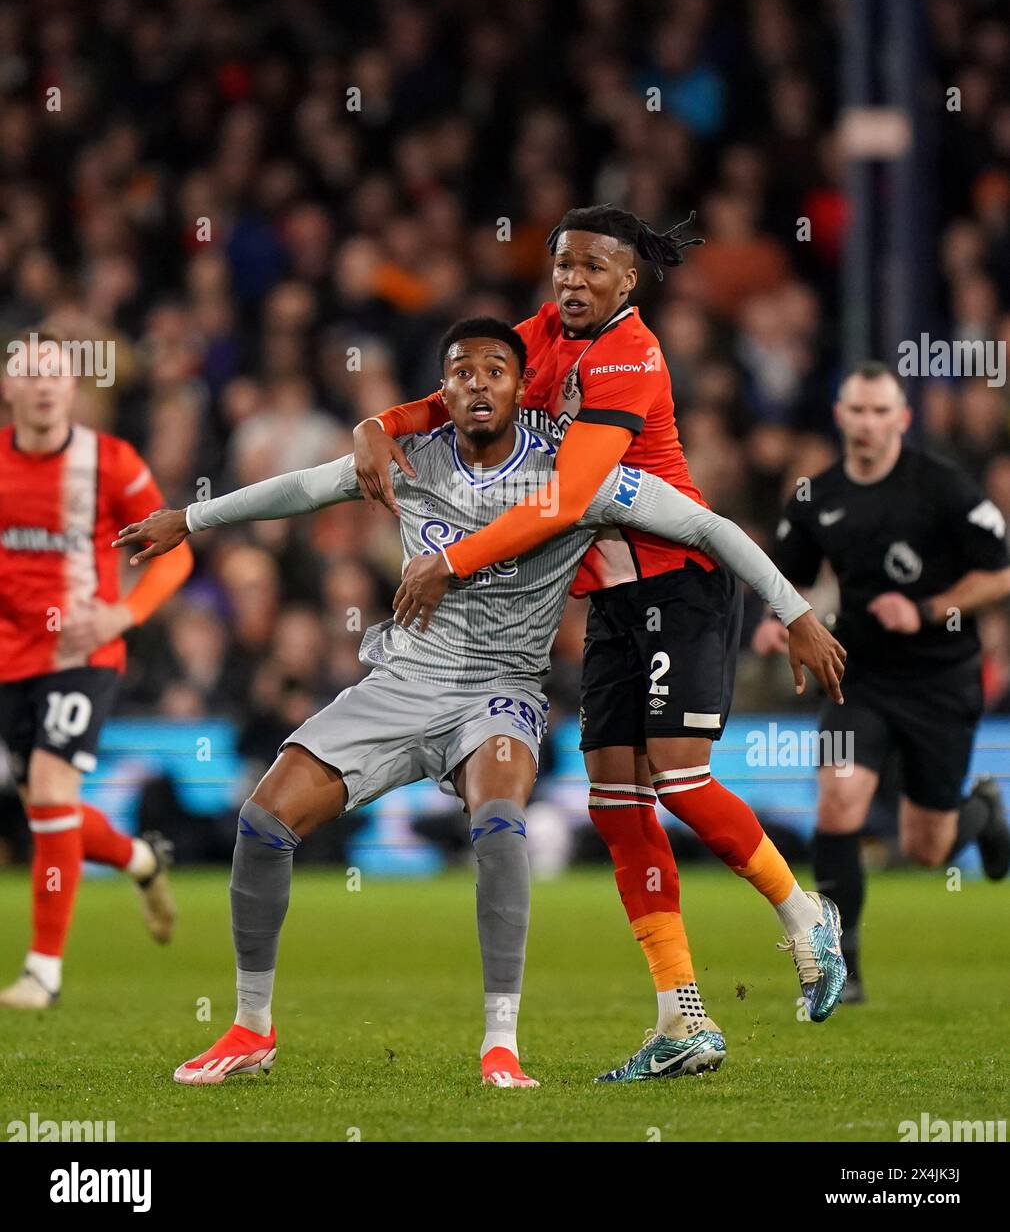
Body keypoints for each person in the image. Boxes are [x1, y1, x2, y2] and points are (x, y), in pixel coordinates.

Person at [116, 318, 842, 1087]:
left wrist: (794, 611)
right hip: (401, 682)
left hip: (500, 695)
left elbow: (706, 525)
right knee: (262, 821)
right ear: (445, 390)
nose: (478, 384)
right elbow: (301, 490)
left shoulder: (575, 475)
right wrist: (188, 519)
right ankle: (250, 1030)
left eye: (496, 370)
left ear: (520, 386)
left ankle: (501, 1044)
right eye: (461, 373)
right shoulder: (408, 459)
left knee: (500, 826)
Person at [353, 207, 848, 1079]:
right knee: (616, 806)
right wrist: (379, 425)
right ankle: (682, 1016)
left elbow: (562, 500)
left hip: (679, 584)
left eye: (593, 268)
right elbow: (466, 389)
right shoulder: (541, 332)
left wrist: (449, 563)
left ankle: (806, 915)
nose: (573, 281)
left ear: (628, 282)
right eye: (563, 265)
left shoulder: (631, 356)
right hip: (611, 603)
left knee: (682, 778)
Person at [752, 361, 1010, 1001]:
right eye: (856, 411)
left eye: (879, 412)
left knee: (928, 849)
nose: (867, 424)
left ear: (903, 418)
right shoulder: (817, 494)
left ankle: (979, 813)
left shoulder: (942, 487)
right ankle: (847, 970)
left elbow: (1001, 574)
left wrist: (926, 609)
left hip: (941, 681)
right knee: (838, 800)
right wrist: (774, 620)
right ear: (840, 417)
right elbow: (792, 578)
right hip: (859, 678)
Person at [0, 331, 192, 1010]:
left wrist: (122, 616)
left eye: (57, 373)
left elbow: (174, 552)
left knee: (50, 789)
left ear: (73, 388)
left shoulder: (109, 463)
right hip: (10, 661)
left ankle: (43, 973)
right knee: (48, 812)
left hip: (83, 652)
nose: (45, 385)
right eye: (30, 373)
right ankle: (139, 859)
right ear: (9, 388)